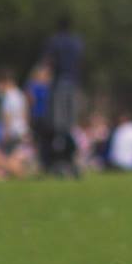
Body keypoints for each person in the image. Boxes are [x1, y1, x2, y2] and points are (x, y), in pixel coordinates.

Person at [44, 16, 85, 178]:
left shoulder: (55, 42)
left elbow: (48, 63)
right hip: (73, 85)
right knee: (69, 125)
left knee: (59, 126)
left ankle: (61, 163)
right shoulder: (77, 43)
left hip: (60, 85)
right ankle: (72, 161)